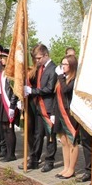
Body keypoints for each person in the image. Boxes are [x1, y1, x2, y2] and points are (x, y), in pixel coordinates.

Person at [22, 44, 57, 172]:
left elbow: (49, 88)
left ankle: (49, 161)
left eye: (39, 58)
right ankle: (34, 159)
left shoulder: (53, 69)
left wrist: (32, 91)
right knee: (38, 134)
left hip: (48, 107)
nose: (37, 61)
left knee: (50, 136)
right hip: (38, 106)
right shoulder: (40, 68)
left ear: (46, 55)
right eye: (36, 58)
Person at [54, 55, 79, 179]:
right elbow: (57, 95)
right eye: (62, 63)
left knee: (71, 141)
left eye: (65, 64)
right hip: (60, 112)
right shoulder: (62, 78)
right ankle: (65, 167)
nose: (62, 66)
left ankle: (71, 169)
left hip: (70, 113)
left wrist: (60, 77)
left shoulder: (74, 79)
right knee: (63, 141)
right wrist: (54, 113)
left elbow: (66, 91)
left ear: (72, 66)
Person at [0, 49, 19, 162]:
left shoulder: (13, 72)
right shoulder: (2, 71)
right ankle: (6, 151)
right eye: (1, 58)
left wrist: (12, 105)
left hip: (10, 102)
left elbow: (15, 90)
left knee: (9, 129)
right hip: (2, 101)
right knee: (4, 128)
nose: (1, 60)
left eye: (3, 57)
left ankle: (11, 154)